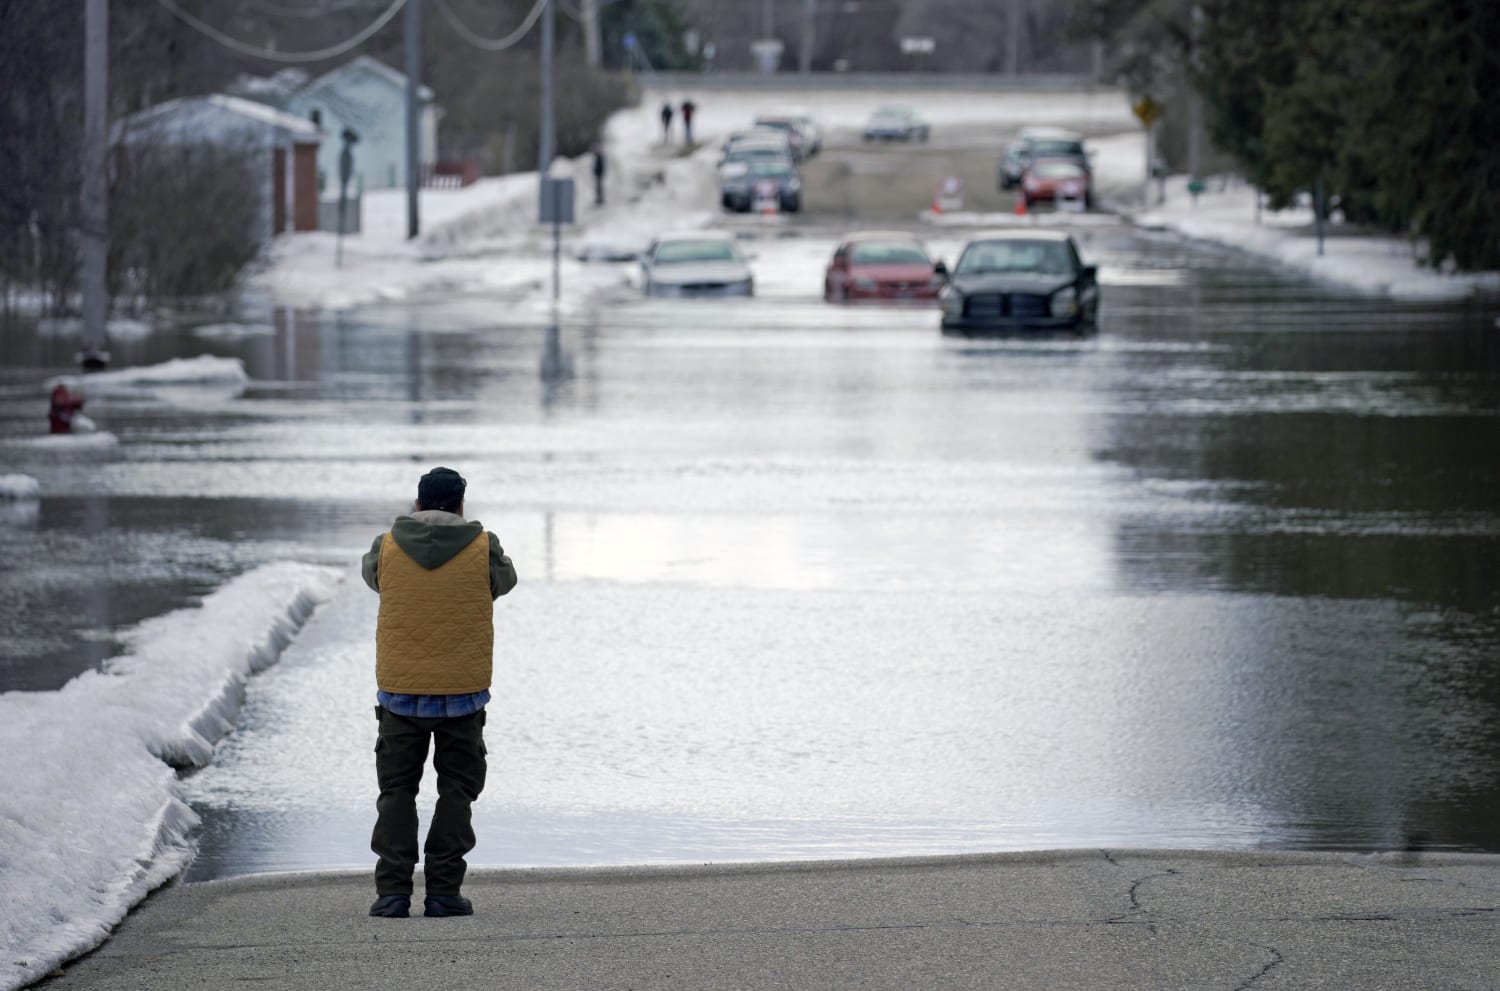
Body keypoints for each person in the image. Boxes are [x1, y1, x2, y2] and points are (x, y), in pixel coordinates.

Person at [361, 467, 518, 919]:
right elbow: (503, 583)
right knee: (456, 791)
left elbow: (375, 580)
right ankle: (444, 893)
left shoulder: (387, 545)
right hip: (462, 693)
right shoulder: (483, 545)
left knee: (396, 791)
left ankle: (392, 894)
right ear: (461, 504)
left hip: (400, 693)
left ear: (418, 503)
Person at [591, 141, 606, 206]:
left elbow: (600, 166)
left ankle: (600, 199)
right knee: (598, 187)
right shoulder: (598, 157)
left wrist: (598, 172)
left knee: (599, 187)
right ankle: (599, 198)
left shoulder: (599, 157)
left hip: (599, 174)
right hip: (598, 174)